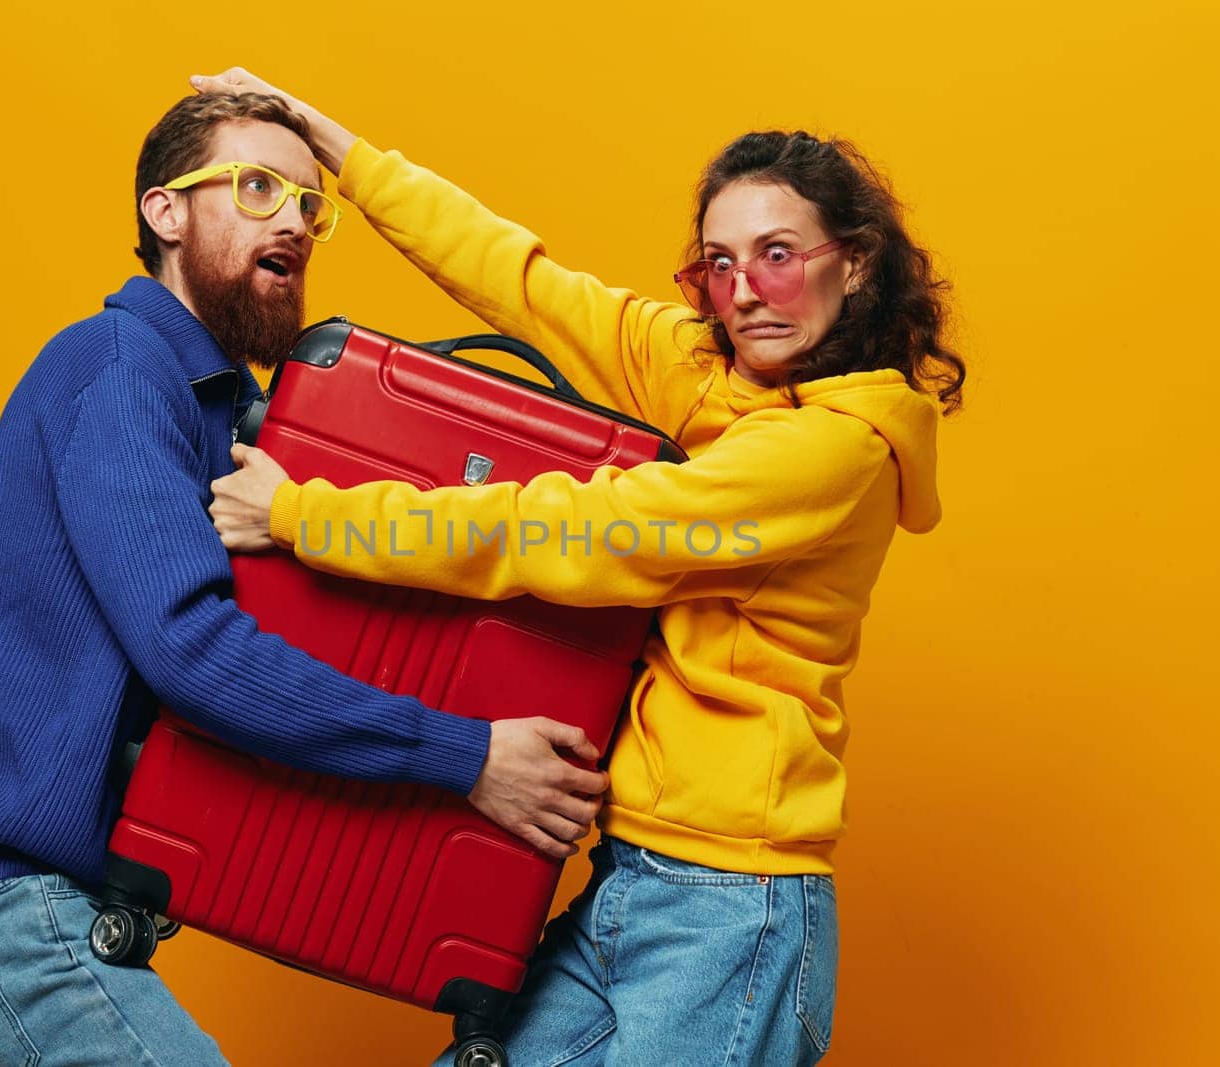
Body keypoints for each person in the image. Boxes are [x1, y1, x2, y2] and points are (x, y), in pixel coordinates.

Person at [194, 68, 966, 1066]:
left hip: (733, 906)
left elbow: (574, 531)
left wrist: (304, 514)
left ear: (852, 264)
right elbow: (521, 280)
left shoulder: (837, 452)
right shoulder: (710, 370)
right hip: (634, 876)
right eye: (718, 265)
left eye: (776, 255)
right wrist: (330, 144)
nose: (743, 292)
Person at [0, 91, 607, 1065]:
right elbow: (193, 650)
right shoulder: (120, 369)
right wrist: (466, 753)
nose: (294, 223)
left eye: (310, 206)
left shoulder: (238, 414)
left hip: (49, 904)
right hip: (7, 905)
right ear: (166, 212)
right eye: (258, 187)